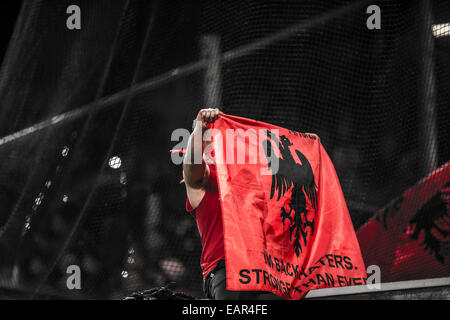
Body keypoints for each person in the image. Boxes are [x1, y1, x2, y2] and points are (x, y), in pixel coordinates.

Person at [182, 108, 279, 300]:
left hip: (267, 271)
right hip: (227, 270)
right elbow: (192, 171)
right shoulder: (205, 181)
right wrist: (200, 126)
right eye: (210, 141)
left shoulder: (251, 181)